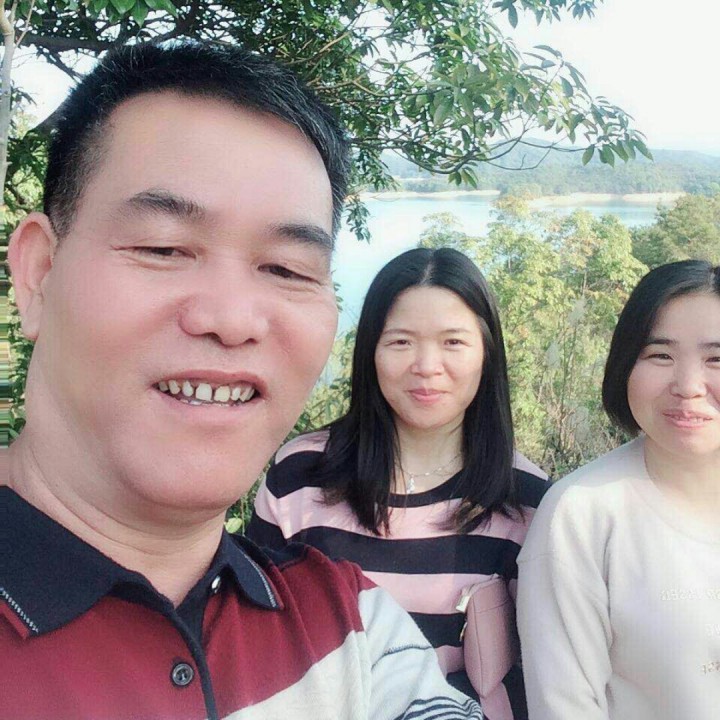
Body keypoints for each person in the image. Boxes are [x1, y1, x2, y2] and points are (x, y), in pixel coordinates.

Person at [1, 42, 483, 720]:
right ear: (38, 274)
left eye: (286, 269)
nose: (232, 321)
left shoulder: (353, 633)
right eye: (163, 248)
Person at [247, 247, 549, 720]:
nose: (426, 366)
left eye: (453, 342)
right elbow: (251, 631)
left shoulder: (525, 499)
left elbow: (547, 670)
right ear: (371, 350)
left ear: (487, 353)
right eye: (401, 342)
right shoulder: (301, 475)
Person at [517, 260, 720, 720]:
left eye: (716, 359)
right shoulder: (582, 513)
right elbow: (564, 705)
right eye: (660, 355)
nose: (688, 386)